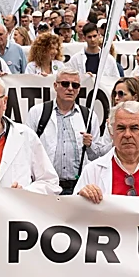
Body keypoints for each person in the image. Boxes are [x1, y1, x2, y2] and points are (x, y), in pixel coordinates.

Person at [26, 66, 100, 194]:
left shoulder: (89, 116)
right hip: (46, 187)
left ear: (79, 90)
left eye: (75, 85)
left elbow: (97, 156)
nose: (70, 88)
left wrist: (90, 145)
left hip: (80, 187)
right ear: (55, 86)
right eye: (65, 84)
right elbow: (26, 150)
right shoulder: (37, 113)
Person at [90, 77, 139, 159]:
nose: (116, 98)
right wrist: (113, 136)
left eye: (121, 94)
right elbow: (103, 153)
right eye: (115, 94)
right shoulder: (112, 121)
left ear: (135, 97)